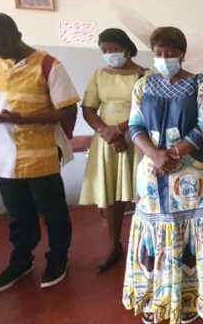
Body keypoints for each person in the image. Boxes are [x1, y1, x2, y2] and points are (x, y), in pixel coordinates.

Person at [0, 13, 80, 294]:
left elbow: (66, 111)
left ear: (17, 34)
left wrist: (20, 119)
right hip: (4, 157)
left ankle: (58, 258)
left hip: (40, 155)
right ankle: (21, 260)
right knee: (17, 214)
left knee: (52, 211)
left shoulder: (48, 65)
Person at [122, 27, 203, 324]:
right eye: (159, 53)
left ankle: (189, 301)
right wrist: (155, 154)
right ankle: (154, 298)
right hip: (152, 171)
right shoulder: (143, 85)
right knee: (153, 233)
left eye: (171, 53)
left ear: (182, 54)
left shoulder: (199, 83)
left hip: (189, 173)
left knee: (188, 234)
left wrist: (173, 153)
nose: (164, 59)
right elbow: (135, 126)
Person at [80, 28, 148, 273]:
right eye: (104, 51)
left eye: (112, 49)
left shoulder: (144, 75)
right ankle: (113, 245)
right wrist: (106, 132)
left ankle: (143, 245)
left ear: (126, 48)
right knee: (112, 195)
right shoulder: (99, 75)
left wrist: (119, 130)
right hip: (106, 139)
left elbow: (147, 110)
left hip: (139, 137)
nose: (108, 54)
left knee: (142, 193)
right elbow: (88, 109)